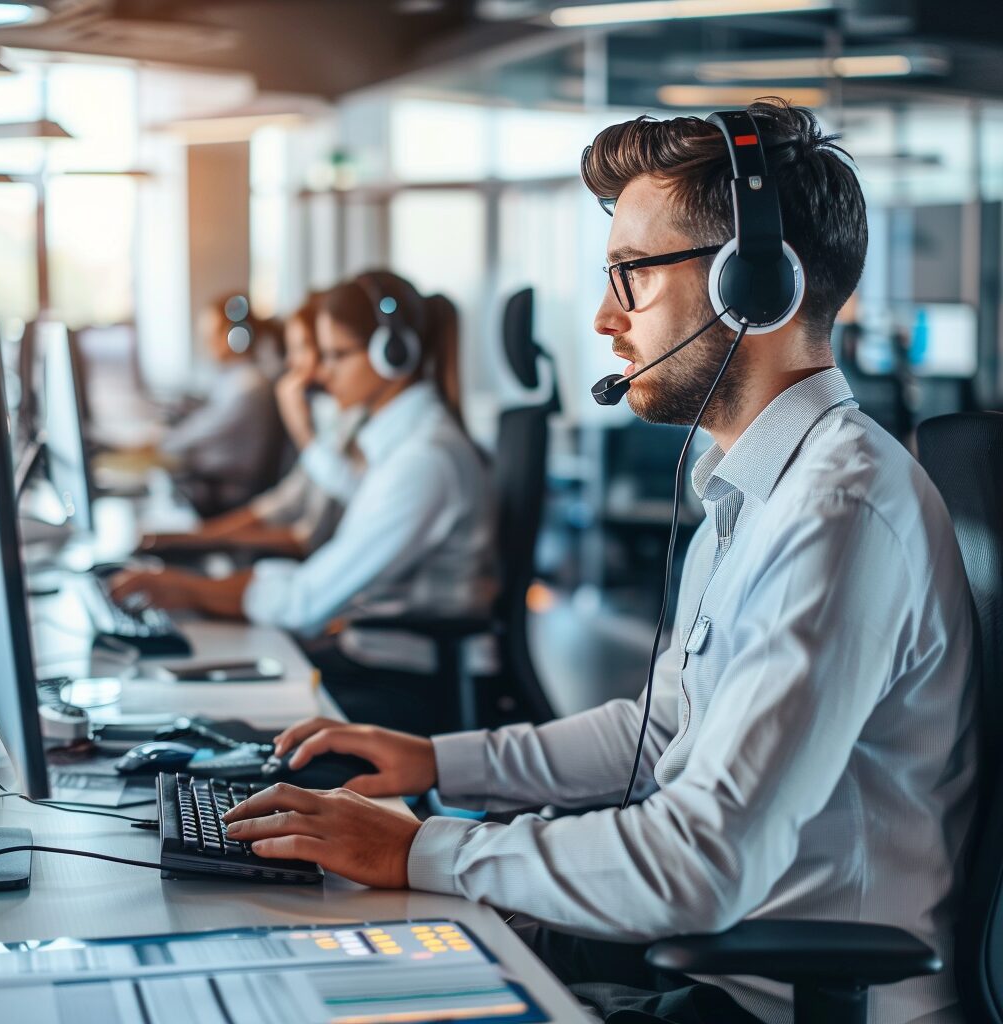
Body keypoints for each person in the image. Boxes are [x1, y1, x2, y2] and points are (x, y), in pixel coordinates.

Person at [219, 101, 978, 1024]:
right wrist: (436, 760)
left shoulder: (841, 511)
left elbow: (701, 863)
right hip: (705, 967)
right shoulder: (755, 491)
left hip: (777, 1001)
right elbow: (663, 735)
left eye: (631, 276)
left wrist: (420, 850)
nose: (605, 318)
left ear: (757, 288)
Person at [112, 271, 497, 734]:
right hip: (378, 659)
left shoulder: (423, 462)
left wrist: (188, 589)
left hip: (408, 687)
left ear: (393, 355)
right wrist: (195, 584)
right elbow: (313, 582)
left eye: (336, 355)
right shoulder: (400, 445)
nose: (318, 372)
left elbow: (306, 601)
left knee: (192, 715)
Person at [142, 293, 364, 560]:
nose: (290, 363)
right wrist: (199, 537)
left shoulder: (253, 388)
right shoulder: (329, 418)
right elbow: (287, 499)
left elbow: (309, 537)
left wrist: (201, 540)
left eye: (302, 348)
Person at [157, 293, 283, 515]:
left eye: (212, 334)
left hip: (227, 497)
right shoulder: (233, 378)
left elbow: (199, 432)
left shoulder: (248, 385)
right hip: (213, 483)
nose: (207, 343)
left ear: (238, 336)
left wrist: (155, 443)